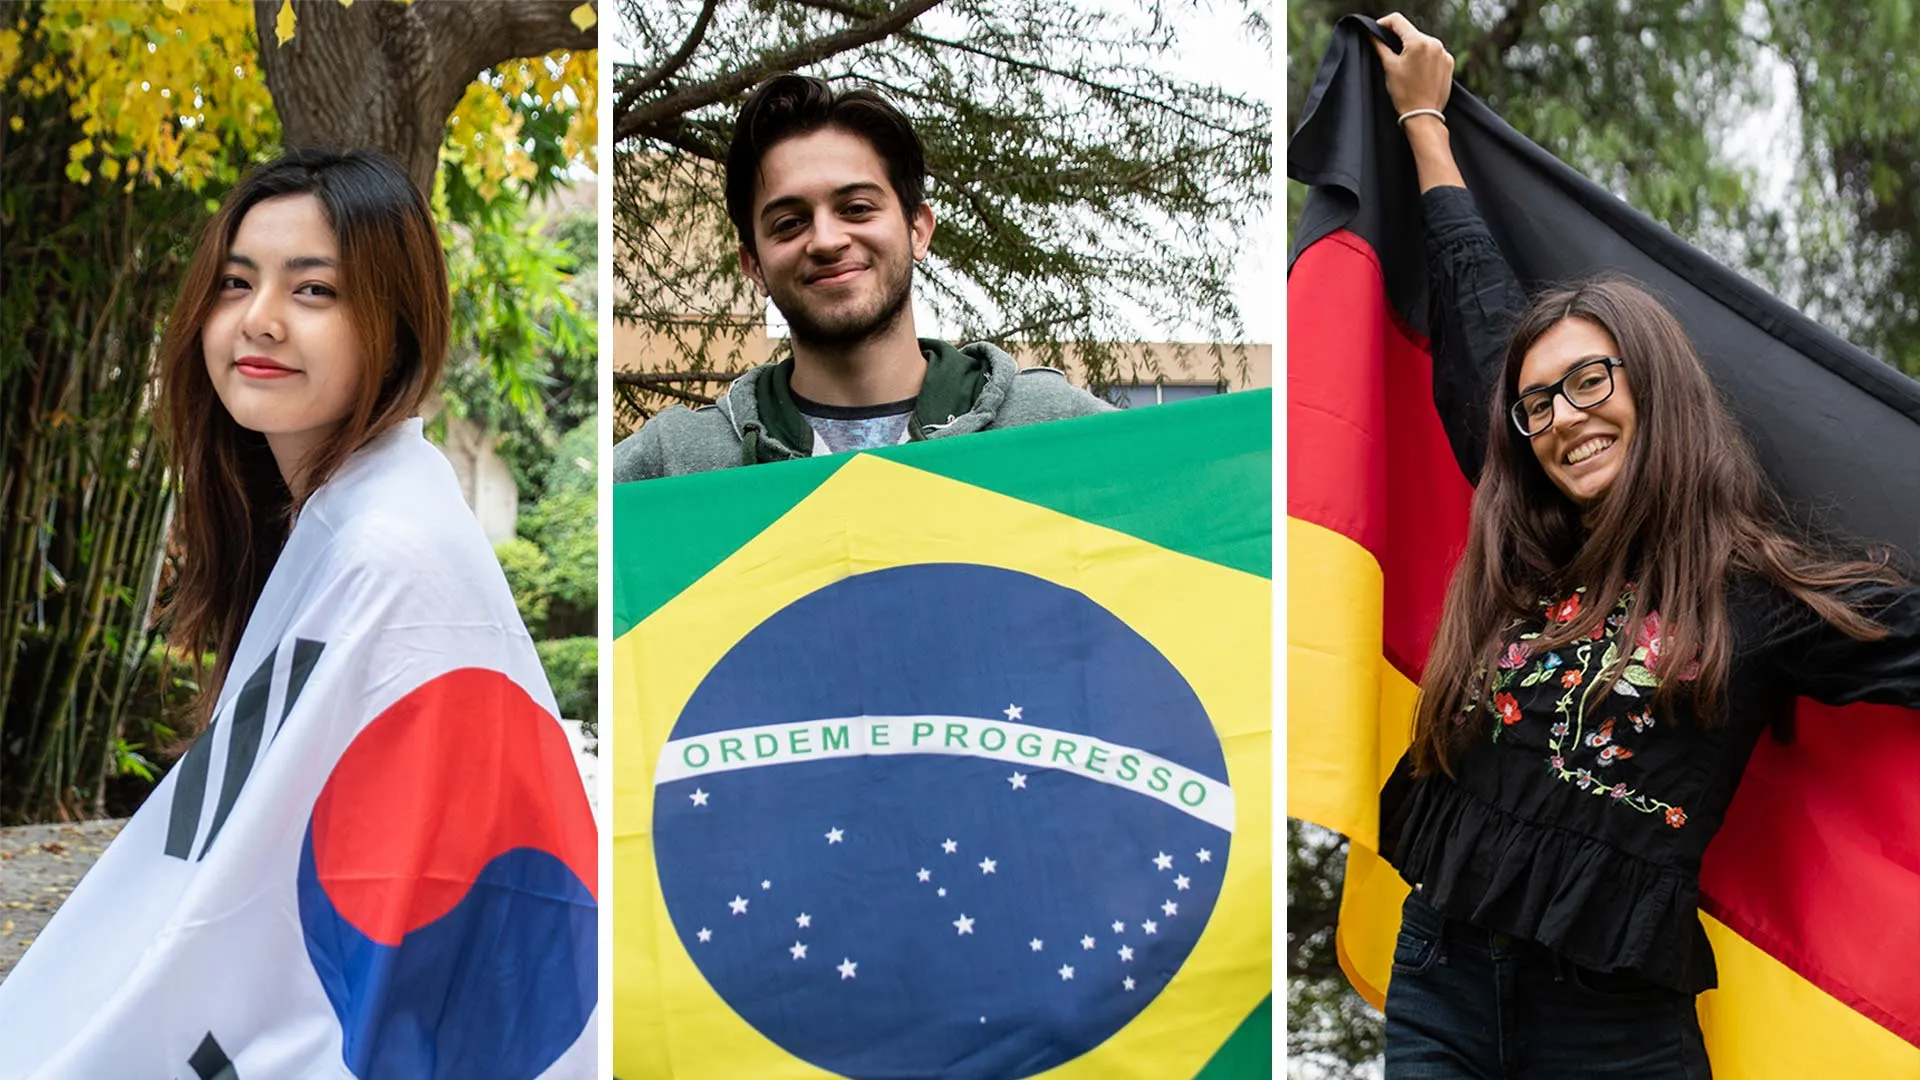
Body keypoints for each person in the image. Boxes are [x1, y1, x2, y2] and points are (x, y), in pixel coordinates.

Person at [1368, 14, 1920, 1079]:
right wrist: (1424, 122)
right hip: (1441, 976)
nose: (1564, 416)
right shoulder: (1520, 533)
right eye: (1538, 404)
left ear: (1651, 388)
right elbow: (1483, 302)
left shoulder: (1757, 593)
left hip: (1613, 1028)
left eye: (1591, 381)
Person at [0, 150, 596, 1078]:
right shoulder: (339, 516)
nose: (259, 320)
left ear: (393, 324)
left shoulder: (386, 553)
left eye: (313, 290)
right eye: (236, 283)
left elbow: (264, 894)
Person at [613, 73, 1110, 481]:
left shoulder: (1058, 429)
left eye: (855, 207)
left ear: (918, 228)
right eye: (789, 222)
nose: (826, 240)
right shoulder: (671, 465)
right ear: (753, 265)